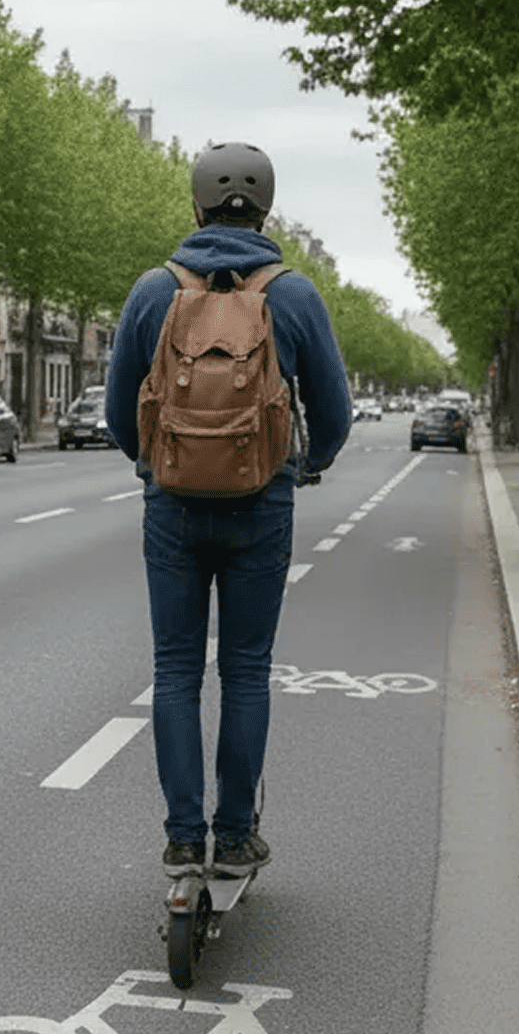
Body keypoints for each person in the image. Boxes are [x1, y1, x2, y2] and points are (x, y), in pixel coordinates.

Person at [105, 142, 351, 877]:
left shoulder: (155, 291)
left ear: (196, 207)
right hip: (261, 507)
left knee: (176, 669)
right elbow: (333, 414)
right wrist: (306, 466)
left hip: (172, 509)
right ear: (266, 209)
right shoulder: (295, 295)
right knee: (245, 670)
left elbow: (122, 413)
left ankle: (184, 837)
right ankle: (236, 833)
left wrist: (156, 466)